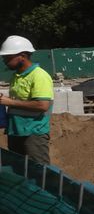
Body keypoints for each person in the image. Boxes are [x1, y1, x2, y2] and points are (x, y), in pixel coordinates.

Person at [1, 36, 54, 164]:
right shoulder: (16, 76)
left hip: (33, 133)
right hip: (16, 131)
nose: (4, 60)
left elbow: (42, 105)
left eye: (7, 57)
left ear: (22, 56)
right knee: (18, 170)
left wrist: (10, 102)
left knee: (39, 171)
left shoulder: (39, 76)